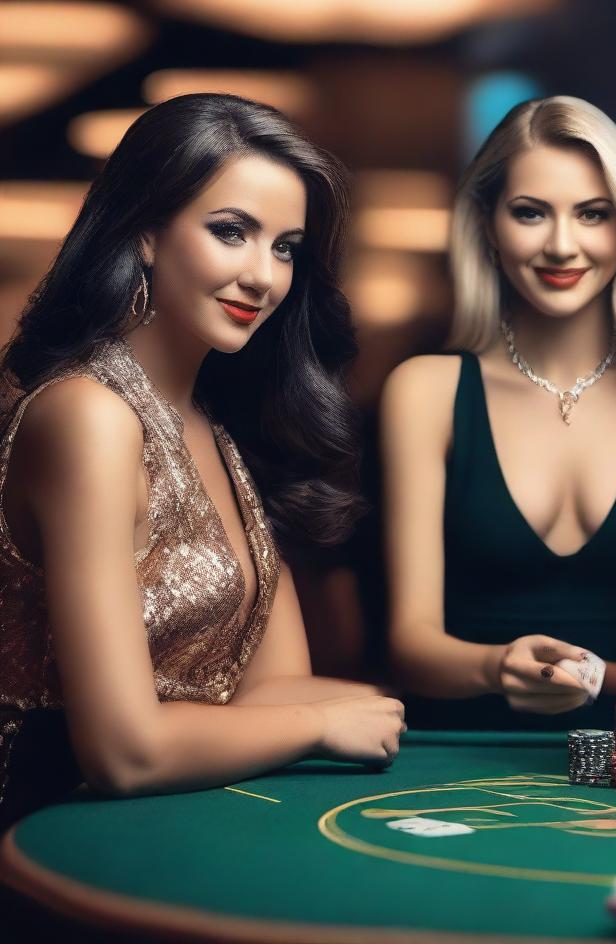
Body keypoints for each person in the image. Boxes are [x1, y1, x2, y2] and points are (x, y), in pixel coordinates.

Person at [0, 94, 405, 831]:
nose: (264, 276)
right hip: (45, 830)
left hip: (171, 817)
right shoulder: (87, 416)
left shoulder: (220, 424)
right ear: (146, 234)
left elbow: (273, 690)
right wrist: (320, 724)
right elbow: (123, 753)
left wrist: (460, 681)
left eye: (285, 247)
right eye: (231, 232)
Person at [383, 96, 616, 729]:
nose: (562, 245)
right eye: (530, 213)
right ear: (487, 224)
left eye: (593, 214)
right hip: (454, 759)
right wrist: (495, 666)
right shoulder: (424, 391)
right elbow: (410, 645)